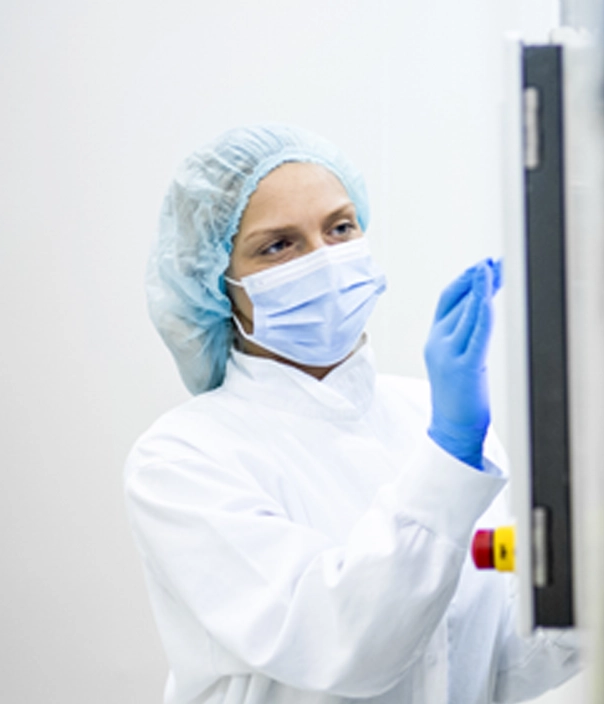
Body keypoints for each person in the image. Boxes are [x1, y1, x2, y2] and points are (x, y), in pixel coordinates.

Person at [125, 124, 575, 704]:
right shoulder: (182, 461)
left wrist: (589, 591)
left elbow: (486, 662)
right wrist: (450, 453)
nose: (325, 261)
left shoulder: (431, 418)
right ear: (217, 283)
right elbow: (345, 644)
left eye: (340, 227)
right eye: (278, 246)